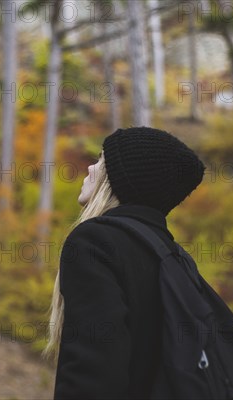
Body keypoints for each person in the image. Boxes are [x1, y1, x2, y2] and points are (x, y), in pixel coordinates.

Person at [42, 126, 206, 399]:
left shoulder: (95, 242)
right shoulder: (174, 257)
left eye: (102, 162)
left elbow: (92, 374)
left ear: (120, 180)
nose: (91, 169)